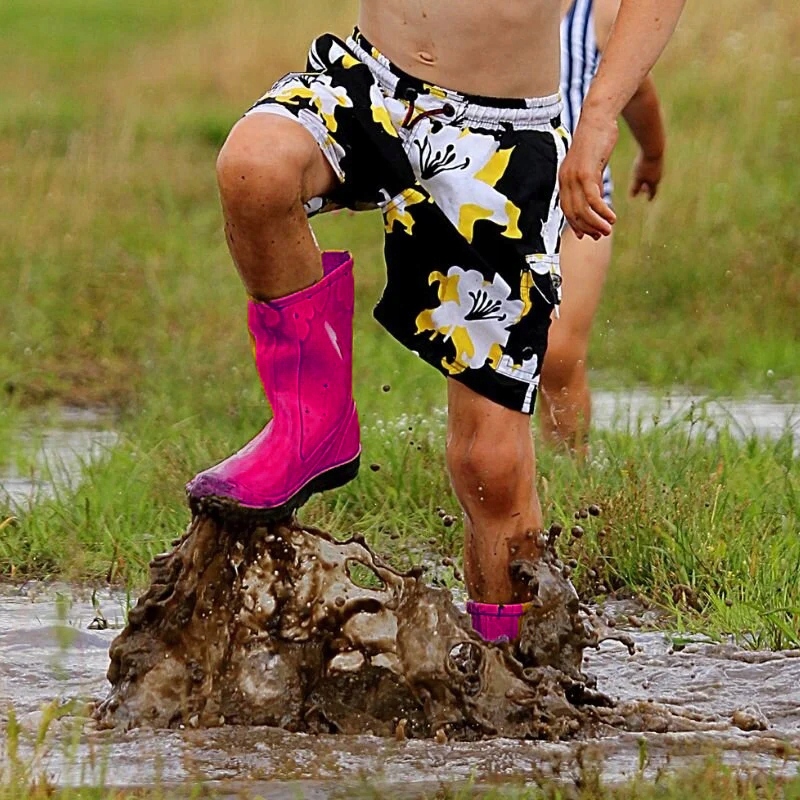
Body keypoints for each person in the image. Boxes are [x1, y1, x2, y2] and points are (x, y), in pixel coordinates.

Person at [186, 0, 686, 642]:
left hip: (501, 139)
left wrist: (596, 118)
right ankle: (312, 425)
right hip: (370, 82)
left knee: (488, 464)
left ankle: (511, 666)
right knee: (255, 168)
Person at [539, 0, 666, 453]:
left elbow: (638, 91)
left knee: (558, 354)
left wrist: (652, 154)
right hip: (493, 201)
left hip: (581, 207)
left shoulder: (601, 13)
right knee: (492, 350)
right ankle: (504, 470)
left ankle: (568, 466)